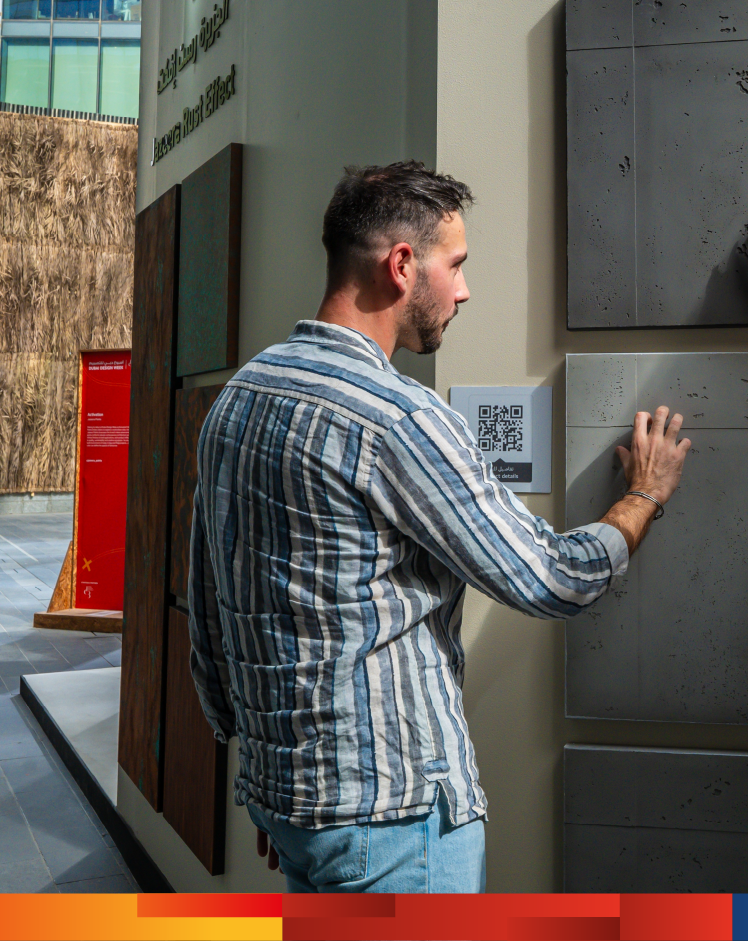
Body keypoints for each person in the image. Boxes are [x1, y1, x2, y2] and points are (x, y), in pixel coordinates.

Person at [186, 161, 691, 893]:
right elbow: (552, 577)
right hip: (394, 824)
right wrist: (643, 494)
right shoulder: (399, 419)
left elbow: (213, 610)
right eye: (454, 265)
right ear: (401, 265)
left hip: (295, 808)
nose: (463, 289)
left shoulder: (240, 396)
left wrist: (281, 787)